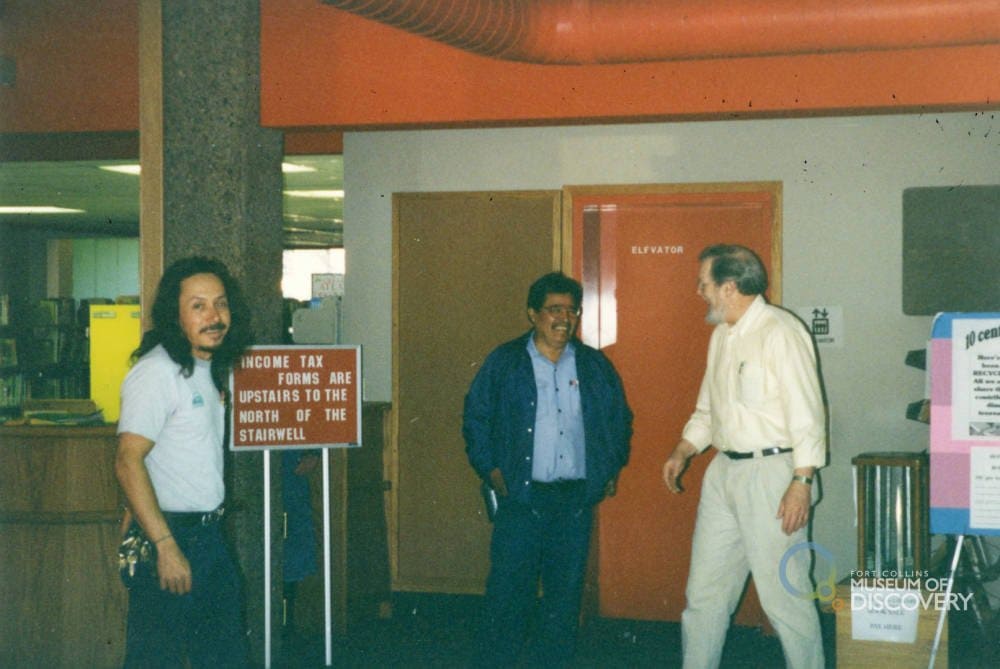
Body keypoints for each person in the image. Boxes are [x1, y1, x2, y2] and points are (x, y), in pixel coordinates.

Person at [662, 244, 827, 669]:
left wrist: (801, 482)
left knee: (785, 598)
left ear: (729, 286)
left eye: (704, 283)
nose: (699, 291)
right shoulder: (721, 336)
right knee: (704, 596)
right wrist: (685, 448)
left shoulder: (781, 332)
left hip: (776, 475)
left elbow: (807, 412)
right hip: (724, 473)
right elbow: (708, 409)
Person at [463, 271, 633, 667]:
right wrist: (489, 469)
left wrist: (607, 467)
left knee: (564, 597)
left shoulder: (593, 365)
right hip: (522, 499)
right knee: (508, 596)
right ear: (532, 314)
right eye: (554, 309)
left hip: (572, 501)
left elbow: (619, 420)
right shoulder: (505, 362)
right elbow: (476, 418)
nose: (565, 318)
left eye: (572, 310)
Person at [115, 256, 253, 668]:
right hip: (171, 537)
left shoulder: (205, 369)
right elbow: (127, 461)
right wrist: (164, 545)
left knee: (224, 655)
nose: (214, 316)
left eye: (221, 304)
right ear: (174, 317)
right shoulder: (158, 373)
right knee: (155, 660)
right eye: (198, 306)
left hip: (208, 538)